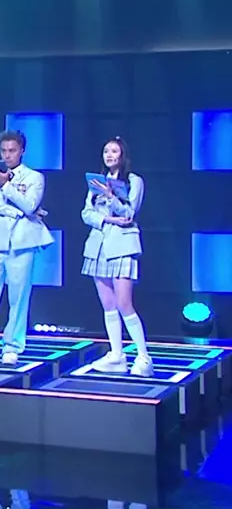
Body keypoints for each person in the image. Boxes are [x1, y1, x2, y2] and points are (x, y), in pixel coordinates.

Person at [0, 130, 54, 363]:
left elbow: (30, 204)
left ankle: (12, 346)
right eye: (4, 151)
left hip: (23, 242)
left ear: (22, 151)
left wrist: (6, 186)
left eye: (12, 151)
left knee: (18, 296)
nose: (7, 155)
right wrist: (15, 211)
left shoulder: (34, 177)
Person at [81, 137, 151, 377]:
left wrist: (111, 197)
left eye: (114, 151)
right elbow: (86, 213)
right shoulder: (96, 181)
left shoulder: (134, 181)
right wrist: (107, 218)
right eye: (106, 151)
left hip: (122, 245)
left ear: (123, 155)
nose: (109, 155)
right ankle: (116, 355)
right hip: (98, 245)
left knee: (124, 303)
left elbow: (129, 213)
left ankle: (143, 357)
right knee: (108, 304)